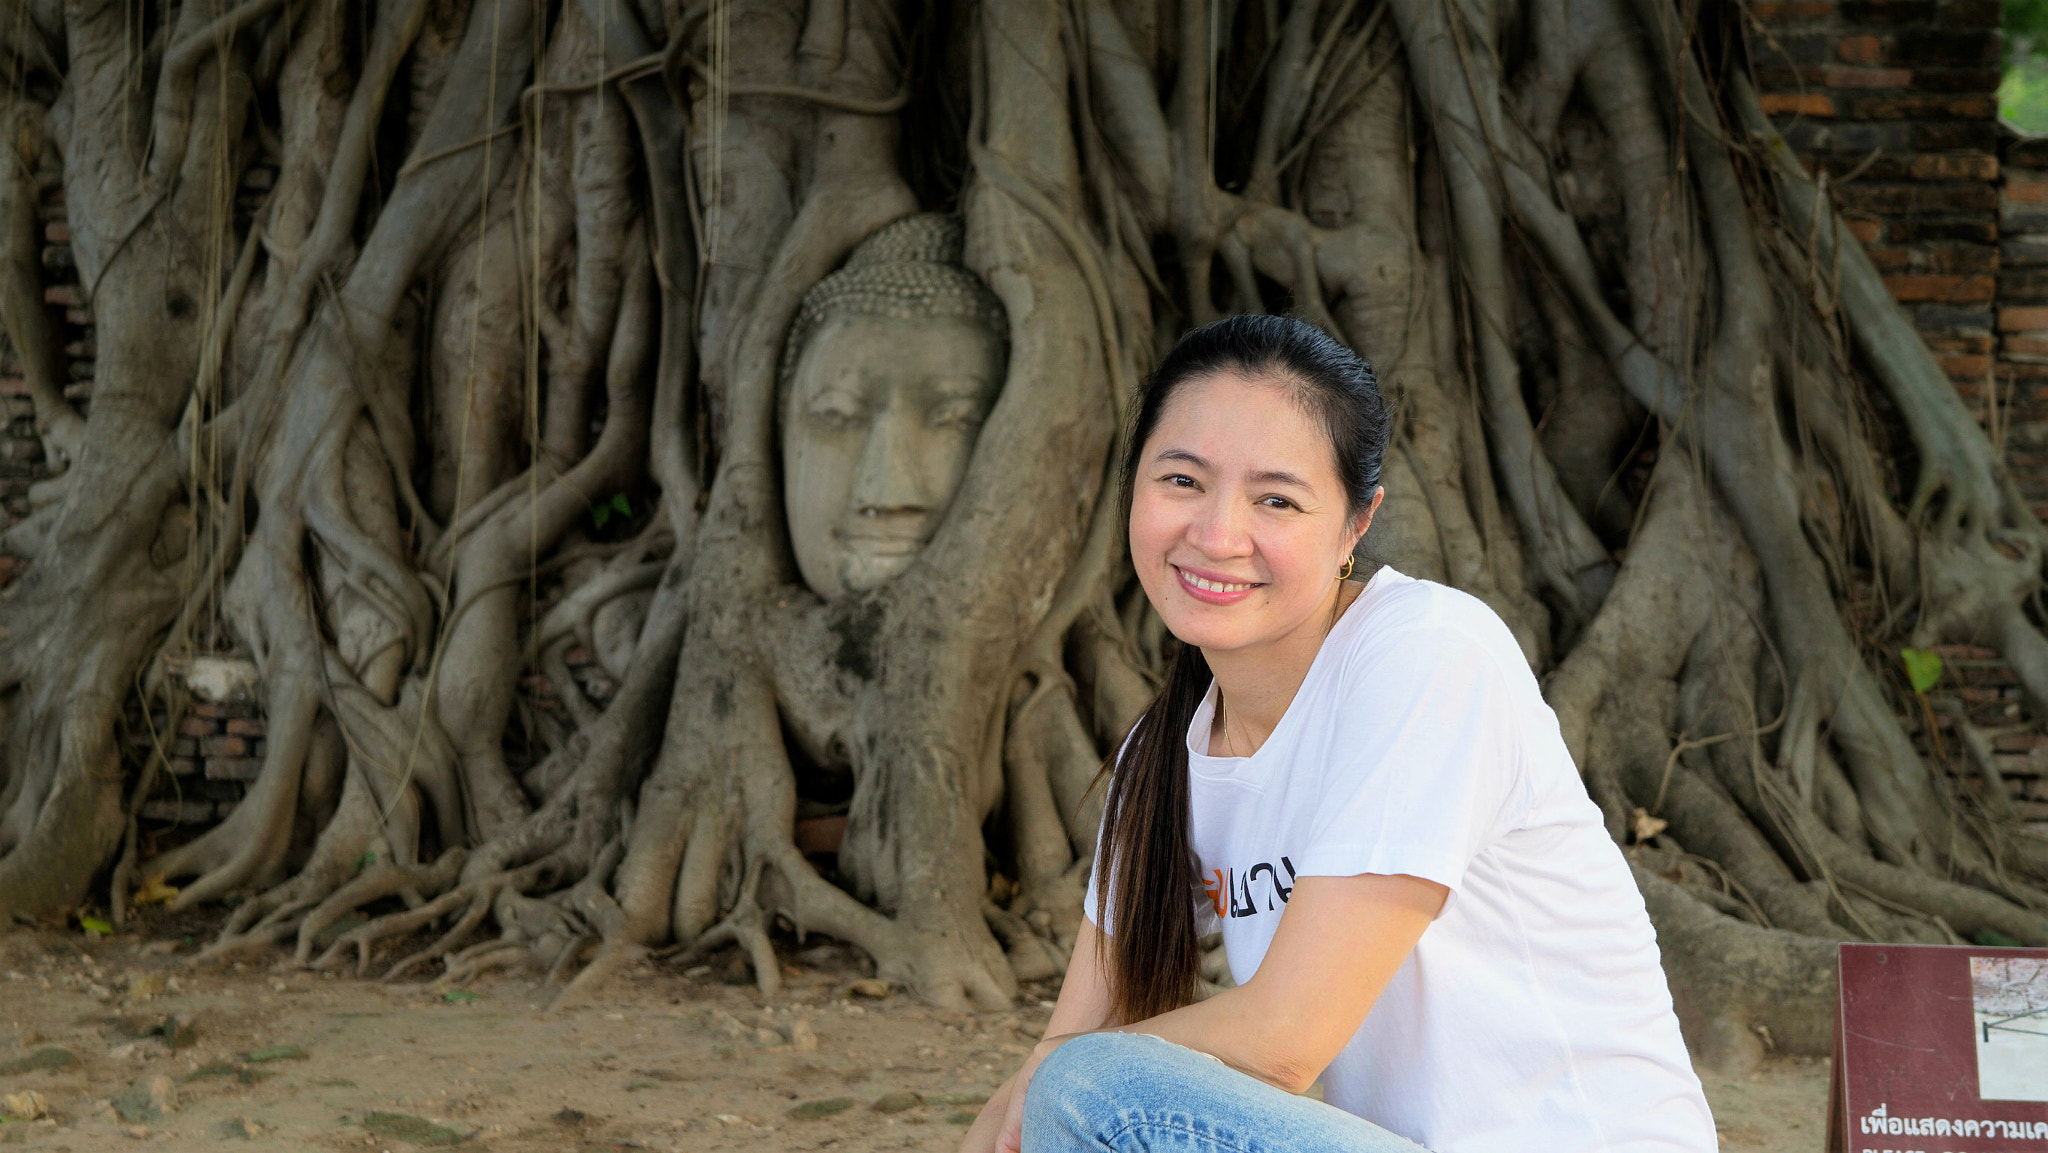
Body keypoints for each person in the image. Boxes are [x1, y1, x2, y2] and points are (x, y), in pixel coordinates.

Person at [960, 314, 1715, 1153]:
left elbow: (1284, 1040)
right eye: (1181, 481)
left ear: (1357, 524)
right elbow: (1056, 1050)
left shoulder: (1427, 655)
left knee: (1096, 1085)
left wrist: (1062, 1083)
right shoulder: (1160, 758)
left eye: (1275, 498)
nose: (1216, 535)